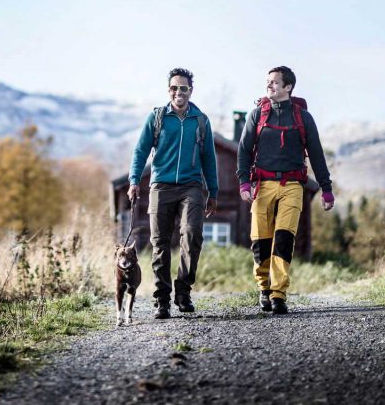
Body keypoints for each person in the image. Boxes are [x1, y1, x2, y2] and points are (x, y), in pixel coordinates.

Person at [237, 65, 334, 315]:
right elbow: (244, 151)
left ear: (288, 87)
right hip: (263, 185)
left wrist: (326, 188)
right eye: (267, 81)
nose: (269, 85)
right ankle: (264, 289)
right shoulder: (257, 115)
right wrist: (244, 182)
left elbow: (316, 154)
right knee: (260, 240)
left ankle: (279, 294)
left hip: (292, 186)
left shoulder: (303, 117)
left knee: (284, 238)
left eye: (274, 82)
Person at [128, 67, 218, 319]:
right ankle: (162, 299)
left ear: (191, 91)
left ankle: (183, 291)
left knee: (192, 235)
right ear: (169, 90)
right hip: (161, 186)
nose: (179, 92)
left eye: (184, 88)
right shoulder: (157, 118)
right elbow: (140, 151)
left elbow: (209, 159)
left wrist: (213, 191)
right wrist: (134, 180)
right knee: (160, 243)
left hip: (191, 186)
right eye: (174, 88)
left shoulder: (200, 121)